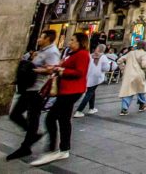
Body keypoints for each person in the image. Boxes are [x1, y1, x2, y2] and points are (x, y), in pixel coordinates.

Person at [27, 32, 89, 167]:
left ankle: (53, 148)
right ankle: (64, 149)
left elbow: (80, 73)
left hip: (72, 91)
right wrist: (53, 68)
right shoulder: (72, 53)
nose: (69, 42)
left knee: (51, 118)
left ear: (80, 42)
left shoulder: (83, 54)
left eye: (72, 40)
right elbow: (67, 67)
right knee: (64, 119)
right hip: (66, 90)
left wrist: (61, 70)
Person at [7, 30, 61, 161]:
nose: (38, 39)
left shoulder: (52, 52)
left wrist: (33, 70)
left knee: (31, 118)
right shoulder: (42, 51)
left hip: (38, 90)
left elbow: (53, 70)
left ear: (47, 38)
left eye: (41, 37)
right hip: (30, 88)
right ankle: (32, 138)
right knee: (18, 115)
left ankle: (27, 145)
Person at [74, 43, 112, 118]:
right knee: (89, 93)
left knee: (91, 91)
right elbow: (106, 68)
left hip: (88, 75)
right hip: (96, 77)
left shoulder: (91, 55)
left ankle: (92, 108)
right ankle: (79, 110)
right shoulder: (103, 57)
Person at [117, 42, 146, 115]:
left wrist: (123, 68)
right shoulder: (144, 53)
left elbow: (119, 60)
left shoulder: (131, 53)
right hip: (138, 75)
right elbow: (144, 65)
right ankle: (143, 103)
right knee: (140, 90)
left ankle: (124, 109)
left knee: (127, 91)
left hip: (128, 75)